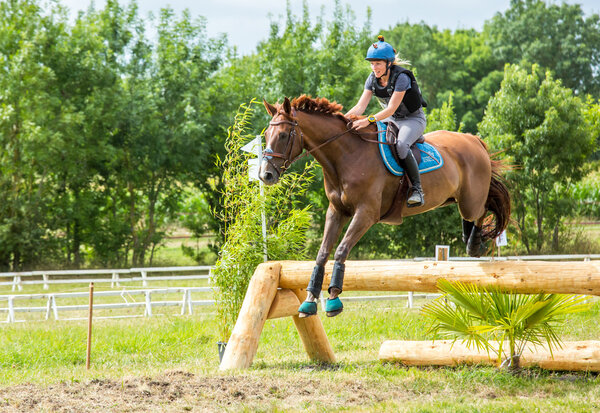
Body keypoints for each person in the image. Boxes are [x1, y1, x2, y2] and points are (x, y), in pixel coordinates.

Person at [345, 35, 427, 207]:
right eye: (372, 64)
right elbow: (360, 107)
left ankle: (417, 190)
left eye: (378, 64)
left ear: (389, 63)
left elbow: (390, 108)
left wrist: (369, 120)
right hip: (392, 118)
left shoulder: (401, 78)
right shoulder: (372, 79)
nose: (374, 68)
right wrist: (341, 120)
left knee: (401, 144)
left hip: (412, 119)